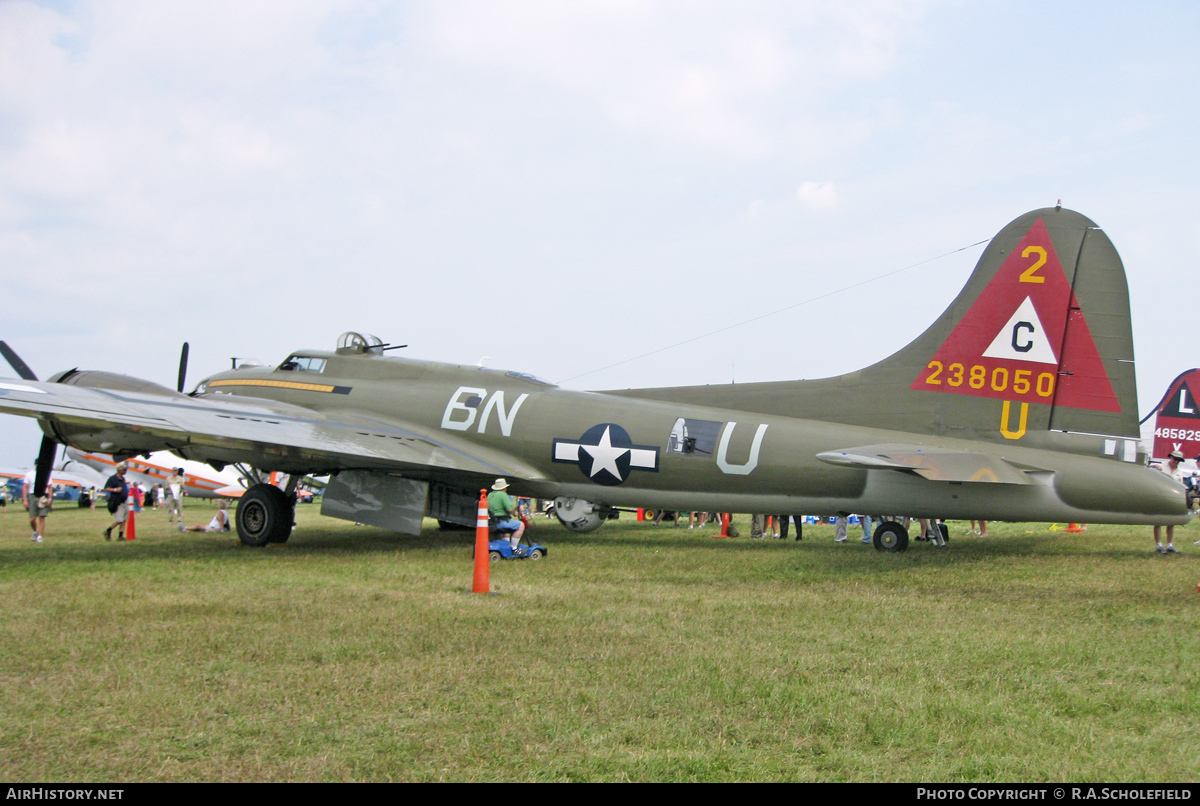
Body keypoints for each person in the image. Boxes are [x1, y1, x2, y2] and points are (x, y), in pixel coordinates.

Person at [1154, 450, 1185, 554]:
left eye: (1178, 460)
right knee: (1158, 522)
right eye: (1175, 459)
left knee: (1171, 522)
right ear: (1170, 457)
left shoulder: (1180, 472)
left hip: (1172, 500)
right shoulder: (1161, 467)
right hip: (1160, 497)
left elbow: (1181, 487)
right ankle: (1158, 545)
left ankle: (1169, 545)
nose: (1176, 461)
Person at [487, 478, 525, 552]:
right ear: (504, 488)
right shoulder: (503, 495)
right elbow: (510, 510)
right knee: (521, 525)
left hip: (491, 522)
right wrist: (515, 511)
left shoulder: (490, 495)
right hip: (500, 522)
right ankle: (514, 548)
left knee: (506, 532)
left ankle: (506, 547)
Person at [22, 466, 50, 543]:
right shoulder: (29, 474)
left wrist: (49, 499)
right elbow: (25, 487)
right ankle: (35, 531)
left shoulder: (46, 474)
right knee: (32, 519)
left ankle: (40, 536)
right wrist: (25, 500)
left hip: (42, 495)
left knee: (42, 517)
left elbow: (50, 486)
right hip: (32, 495)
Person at [103, 462, 131, 541]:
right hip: (117, 502)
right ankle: (108, 530)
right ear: (120, 470)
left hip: (124, 501)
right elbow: (106, 488)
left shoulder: (123, 479)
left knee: (124, 520)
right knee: (119, 520)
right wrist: (115, 489)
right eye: (124, 470)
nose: (126, 471)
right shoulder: (113, 478)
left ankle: (120, 536)